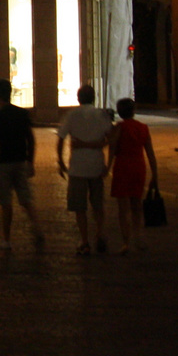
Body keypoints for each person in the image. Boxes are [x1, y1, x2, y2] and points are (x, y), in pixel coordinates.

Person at [0, 79, 45, 251]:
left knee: (6, 203)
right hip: (20, 161)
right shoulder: (21, 114)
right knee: (25, 198)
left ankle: (6, 239)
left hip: (3, 162)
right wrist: (30, 161)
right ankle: (36, 227)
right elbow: (31, 139)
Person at [56, 84, 112, 256]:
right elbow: (110, 138)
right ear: (93, 97)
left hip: (78, 167)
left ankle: (85, 241)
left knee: (79, 207)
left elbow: (60, 139)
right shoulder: (101, 115)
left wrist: (60, 161)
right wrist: (108, 165)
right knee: (97, 204)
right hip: (96, 165)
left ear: (78, 98)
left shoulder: (72, 115)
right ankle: (100, 233)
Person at [108, 98, 159, 254]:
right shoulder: (143, 128)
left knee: (123, 209)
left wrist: (106, 168)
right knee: (136, 205)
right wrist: (155, 175)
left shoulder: (119, 128)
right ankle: (138, 236)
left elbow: (112, 150)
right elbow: (150, 153)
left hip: (122, 167)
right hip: (138, 167)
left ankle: (126, 242)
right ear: (133, 110)